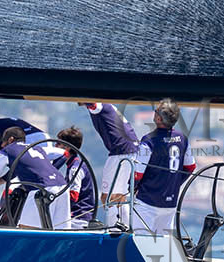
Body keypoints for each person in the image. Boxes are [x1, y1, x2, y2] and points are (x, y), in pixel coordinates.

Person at [104, 98, 193, 235]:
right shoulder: (183, 139)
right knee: (163, 244)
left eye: (156, 111)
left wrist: (132, 189)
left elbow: (137, 174)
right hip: (170, 203)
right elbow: (190, 167)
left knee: (142, 242)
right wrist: (174, 183)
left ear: (158, 118)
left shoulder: (148, 141)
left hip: (147, 202)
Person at [0, 126, 70, 229]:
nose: (2, 145)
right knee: (61, 231)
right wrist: (49, 172)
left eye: (3, 142)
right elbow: (65, 153)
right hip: (63, 187)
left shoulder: (6, 152)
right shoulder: (37, 147)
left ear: (10, 139)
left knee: (27, 230)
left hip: (40, 190)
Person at [79, 101, 137, 226]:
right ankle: (125, 227)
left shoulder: (100, 106)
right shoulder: (109, 106)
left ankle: (112, 229)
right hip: (131, 150)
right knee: (119, 196)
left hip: (121, 152)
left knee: (107, 197)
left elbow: (94, 104)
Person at [53, 125, 97, 227]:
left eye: (58, 143)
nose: (55, 146)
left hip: (78, 219)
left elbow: (73, 196)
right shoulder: (73, 164)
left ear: (66, 147)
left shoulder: (75, 168)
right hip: (76, 216)